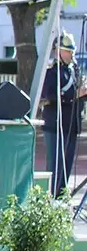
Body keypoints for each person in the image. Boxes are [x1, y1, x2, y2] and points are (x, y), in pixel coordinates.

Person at [41, 30, 86, 197]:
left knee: (67, 165)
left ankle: (61, 196)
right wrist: (74, 95)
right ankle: (51, 198)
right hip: (55, 124)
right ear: (58, 51)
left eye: (72, 51)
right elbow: (49, 96)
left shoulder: (73, 70)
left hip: (72, 124)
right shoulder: (52, 73)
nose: (71, 54)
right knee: (55, 165)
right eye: (67, 50)